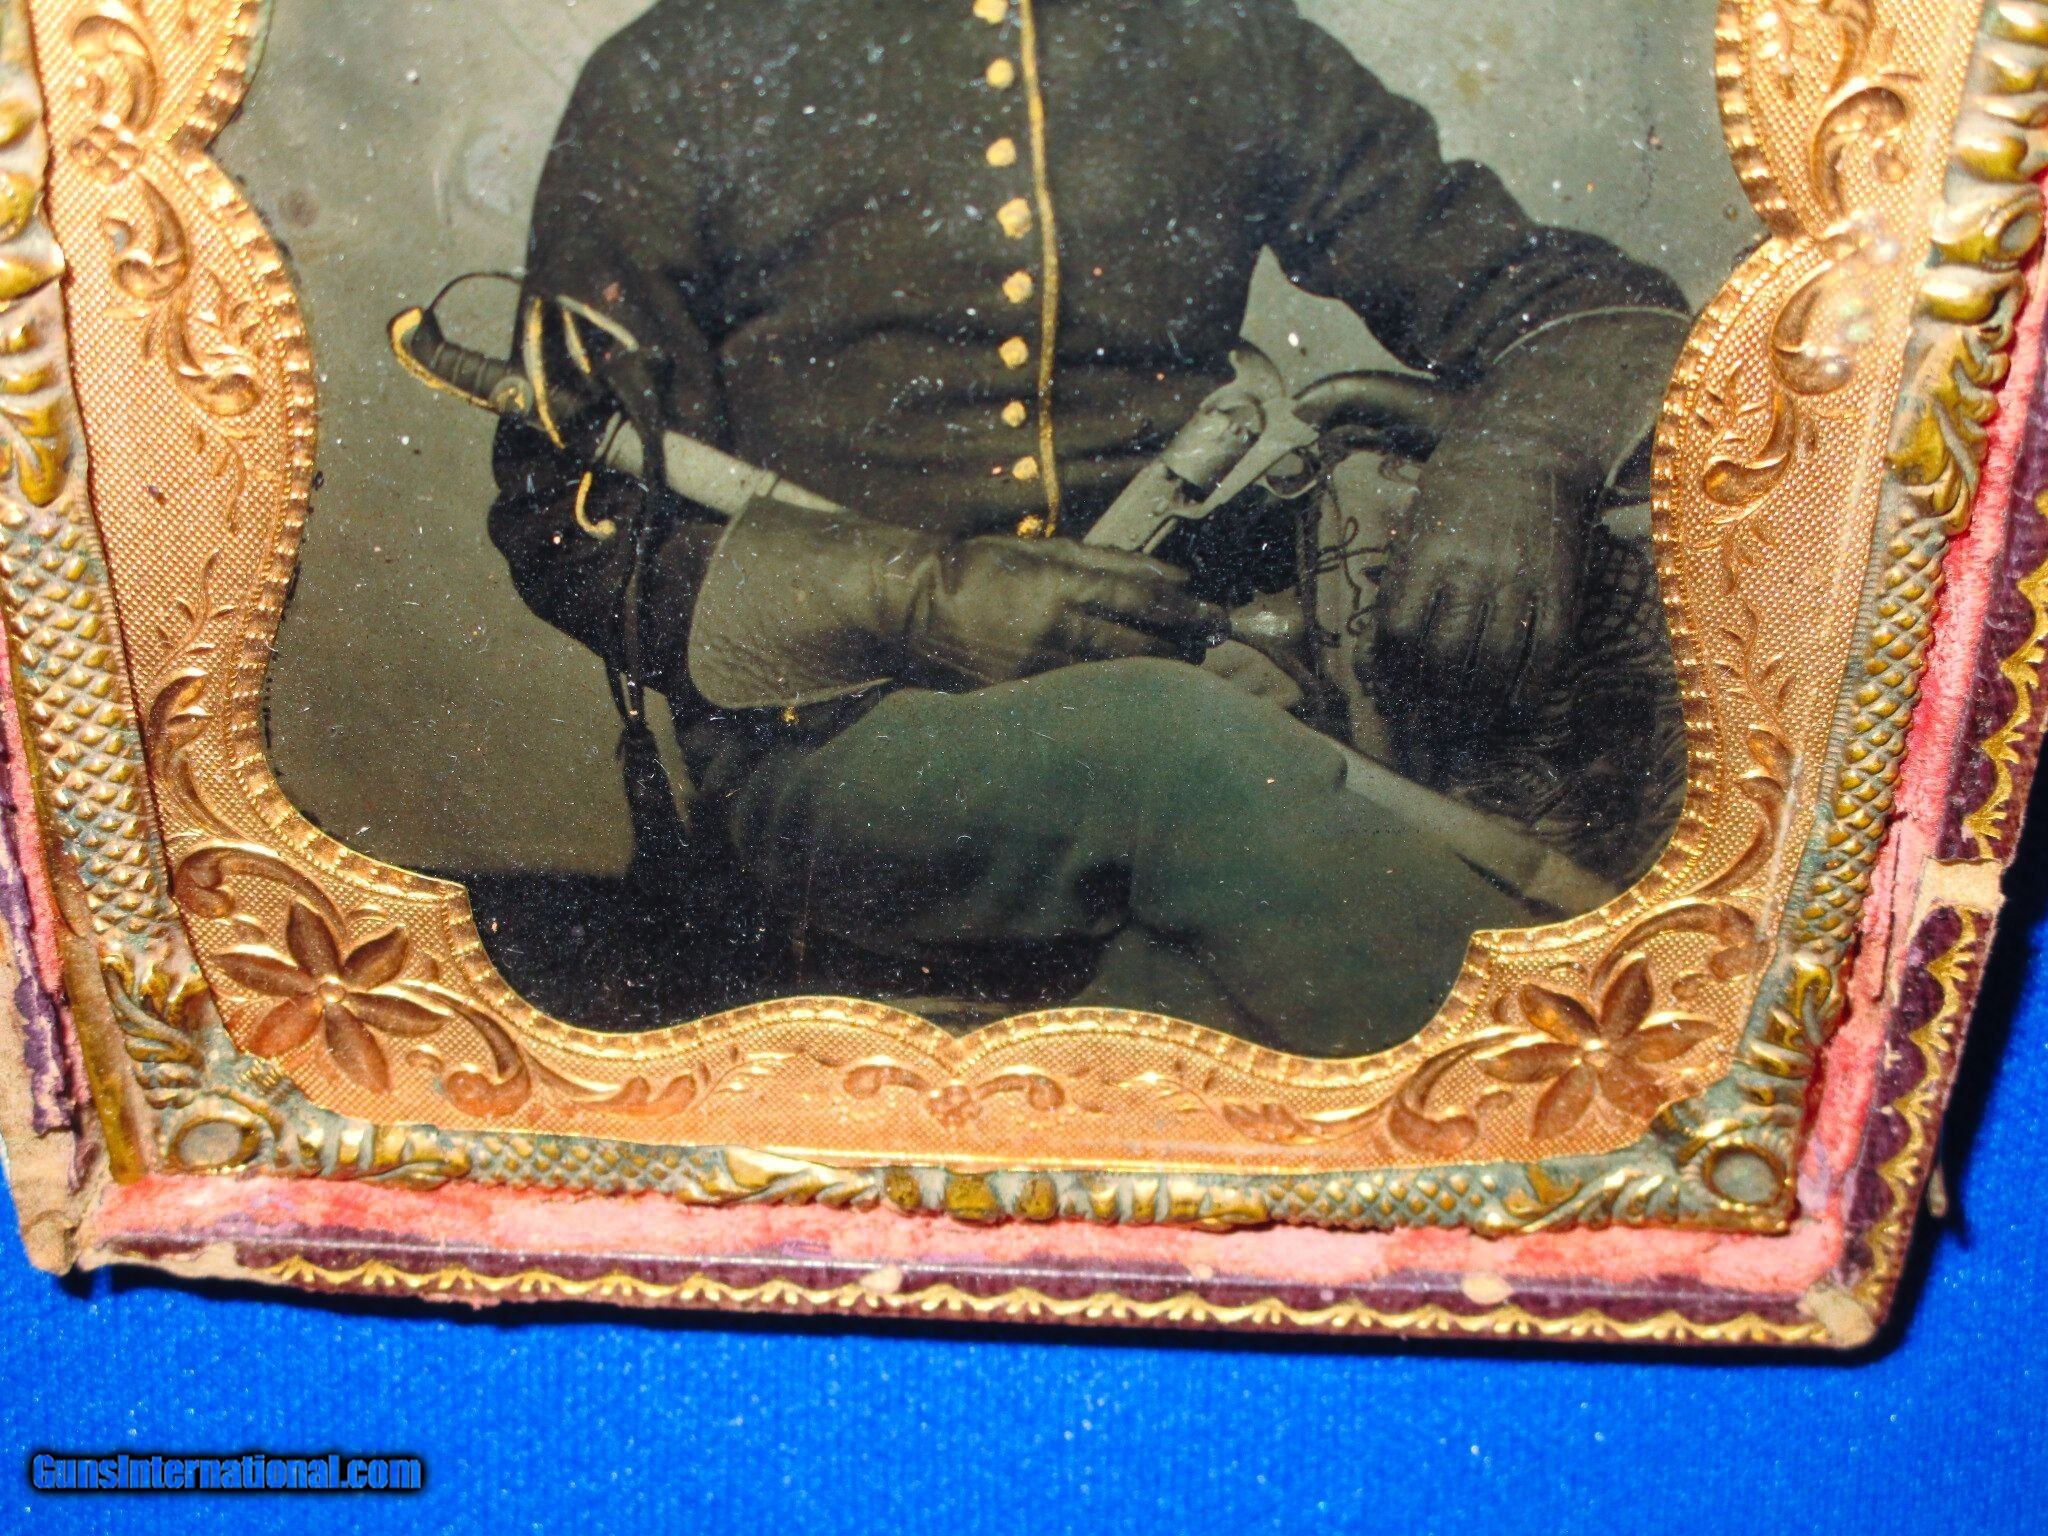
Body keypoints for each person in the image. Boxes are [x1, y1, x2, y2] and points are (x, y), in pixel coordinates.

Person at [487, 0, 1690, 1055]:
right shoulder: (678, 70)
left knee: (1215, 960)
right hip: (831, 750)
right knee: (1167, 748)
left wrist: (1521, 452)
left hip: (1235, 702)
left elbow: (1586, 305)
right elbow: (566, 517)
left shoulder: (1220, 42)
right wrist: (927, 597)